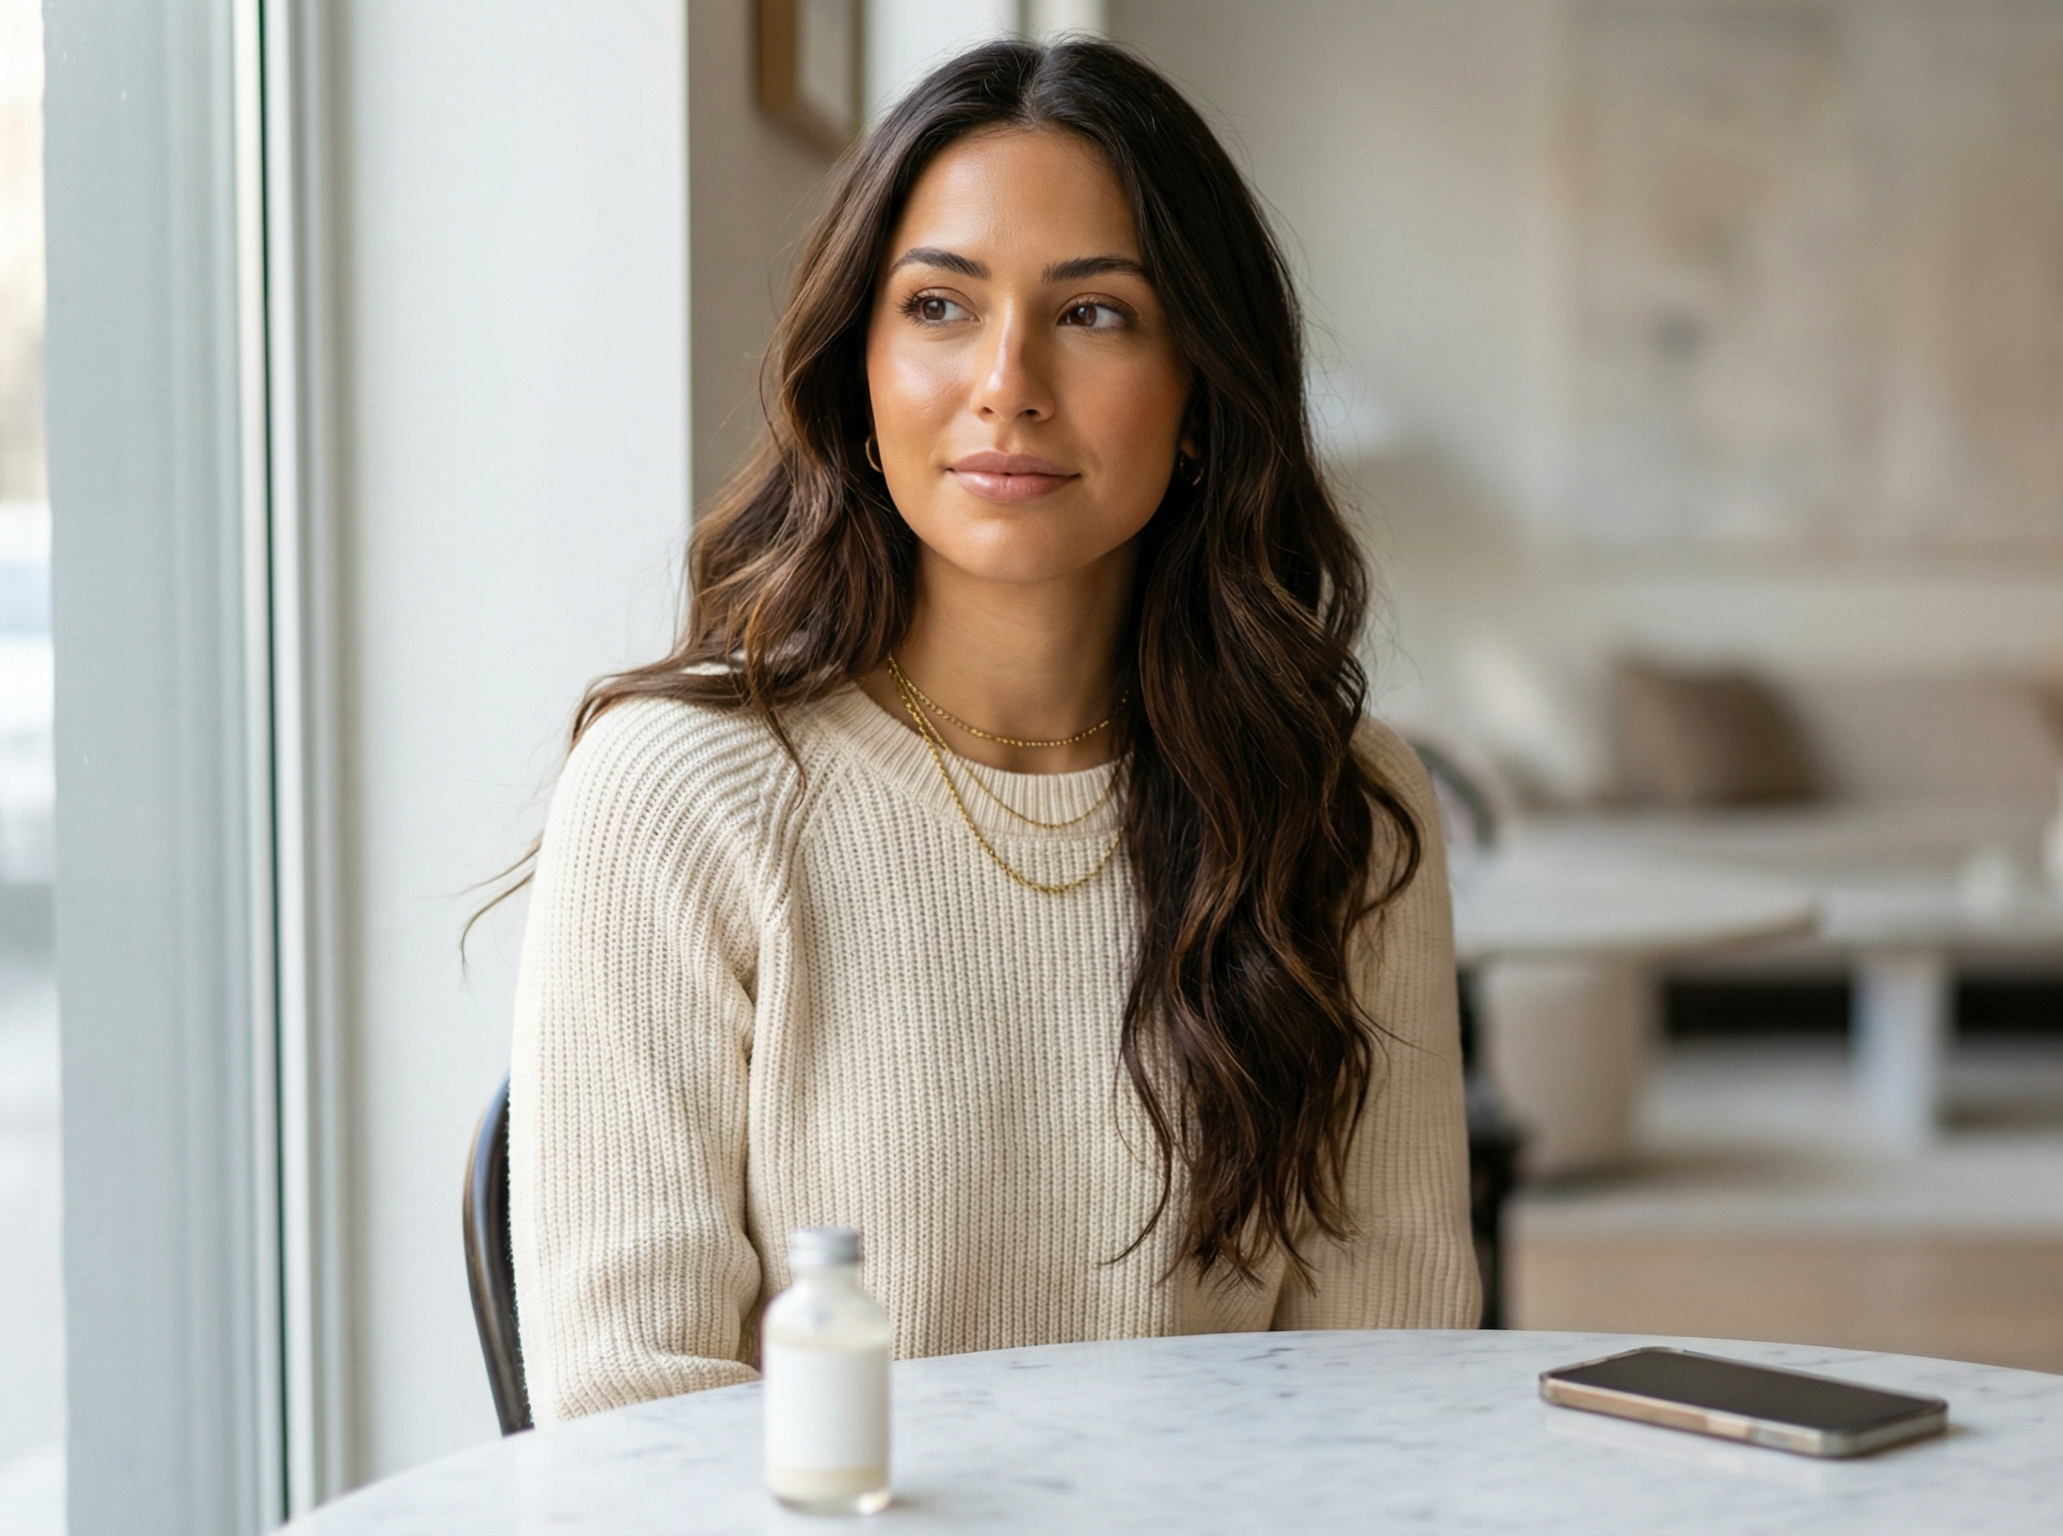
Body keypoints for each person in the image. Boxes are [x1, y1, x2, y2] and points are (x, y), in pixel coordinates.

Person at [507, 37, 1479, 1423]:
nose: (1008, 381)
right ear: (859, 371)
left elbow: (1390, 1384)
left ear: (1200, 393)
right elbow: (633, 1415)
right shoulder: (682, 795)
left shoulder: (1338, 805)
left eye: (1094, 315)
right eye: (939, 306)